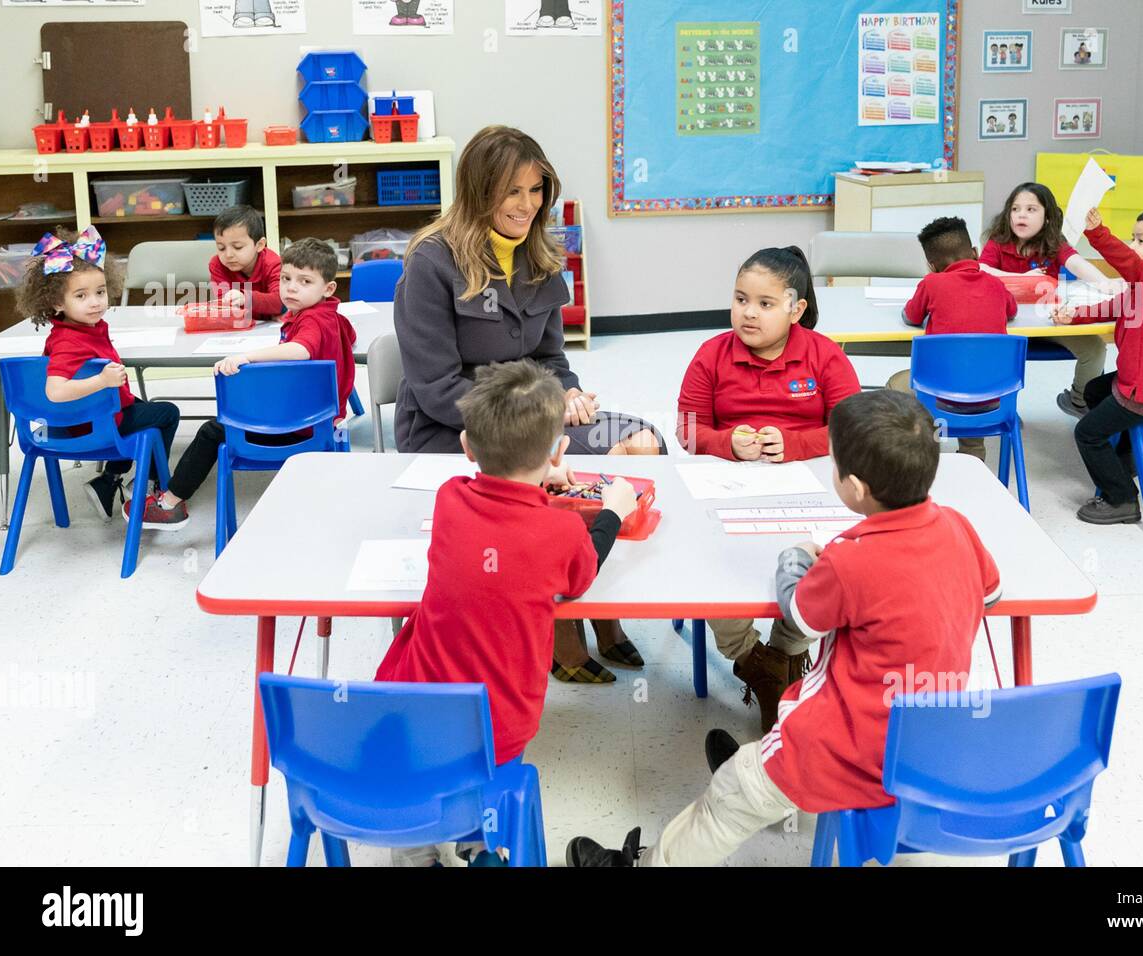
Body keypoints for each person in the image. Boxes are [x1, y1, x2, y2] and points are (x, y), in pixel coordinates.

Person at [565, 390, 1001, 867]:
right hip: (928, 742)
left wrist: (795, 559)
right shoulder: (957, 526)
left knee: (727, 799)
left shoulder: (851, 558)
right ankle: (770, 778)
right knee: (761, 768)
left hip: (846, 749)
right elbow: (990, 594)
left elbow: (799, 614)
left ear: (854, 486)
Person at [393, 124, 663, 682]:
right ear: (477, 190)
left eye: (536, 189)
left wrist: (566, 391)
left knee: (644, 440)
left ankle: (599, 609)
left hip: (532, 420)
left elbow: (551, 357)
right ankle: (565, 628)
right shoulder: (432, 262)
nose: (526, 204)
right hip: (455, 426)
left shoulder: (541, 254)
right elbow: (436, 385)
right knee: (548, 473)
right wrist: (537, 425)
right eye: (511, 191)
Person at [378, 359, 637, 867]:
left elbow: (496, 507)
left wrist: (536, 482)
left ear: (467, 448)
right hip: (500, 723)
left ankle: (416, 851)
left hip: (415, 705)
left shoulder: (451, 498)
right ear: (560, 449)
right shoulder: (561, 534)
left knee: (424, 779)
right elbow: (581, 574)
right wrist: (613, 511)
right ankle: (480, 844)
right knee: (483, 771)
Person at [676, 246, 861, 732]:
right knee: (705, 564)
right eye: (740, 300)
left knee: (820, 564)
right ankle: (758, 663)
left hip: (811, 488)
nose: (748, 313)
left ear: (796, 309)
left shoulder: (825, 355)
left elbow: (852, 430)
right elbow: (688, 430)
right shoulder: (712, 354)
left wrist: (797, 443)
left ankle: (784, 651)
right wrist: (725, 442)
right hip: (728, 487)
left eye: (763, 303)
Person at [126, 238, 355, 530]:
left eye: (305, 281)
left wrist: (247, 357)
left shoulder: (311, 322)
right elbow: (348, 334)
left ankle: (169, 503)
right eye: (286, 279)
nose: (291, 287)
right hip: (321, 423)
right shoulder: (328, 315)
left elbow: (302, 350)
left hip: (296, 428)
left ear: (328, 288)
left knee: (212, 431)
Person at [17, 227, 179, 521]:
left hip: (89, 414)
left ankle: (108, 481)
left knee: (140, 405)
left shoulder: (75, 329)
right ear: (57, 302)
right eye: (81, 295)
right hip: (88, 423)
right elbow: (55, 391)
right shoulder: (69, 342)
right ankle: (147, 487)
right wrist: (102, 380)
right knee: (167, 413)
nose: (95, 302)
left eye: (100, 292)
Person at [1056, 207, 1143, 526]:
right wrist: (1075, 315)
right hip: (1139, 379)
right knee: (1093, 390)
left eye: (1140, 240)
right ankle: (1132, 456)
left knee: (1087, 434)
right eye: (1132, 239)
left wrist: (1098, 233)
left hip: (1142, 391)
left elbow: (1127, 262)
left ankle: (1123, 499)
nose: (1133, 246)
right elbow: (1116, 305)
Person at [979, 182, 1125, 416]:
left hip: (1048, 319)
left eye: (1031, 209)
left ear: (1047, 217)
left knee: (1095, 349)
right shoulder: (998, 242)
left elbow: (1077, 264)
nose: (1021, 215)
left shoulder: (1054, 242)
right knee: (990, 354)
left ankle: (1078, 400)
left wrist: (1105, 283)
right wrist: (1021, 278)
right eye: (1015, 209)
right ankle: (1003, 409)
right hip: (1005, 323)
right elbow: (982, 270)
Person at [885, 216, 1017, 463]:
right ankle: (973, 456)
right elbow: (1012, 311)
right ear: (975, 252)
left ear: (932, 265)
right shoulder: (996, 285)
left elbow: (911, 316)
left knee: (894, 384)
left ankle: (918, 452)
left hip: (939, 399)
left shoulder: (932, 282)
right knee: (974, 377)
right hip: (992, 399)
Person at [208, 205, 284, 321]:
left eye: (237, 247)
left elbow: (280, 301)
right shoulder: (217, 265)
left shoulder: (273, 264)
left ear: (259, 245)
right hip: (241, 328)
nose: (228, 255)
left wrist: (246, 298)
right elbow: (225, 306)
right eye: (221, 248)